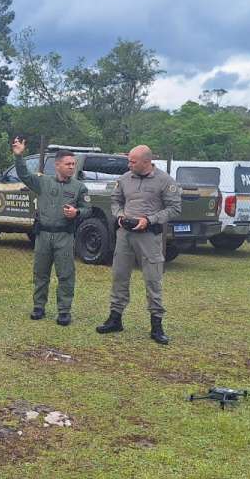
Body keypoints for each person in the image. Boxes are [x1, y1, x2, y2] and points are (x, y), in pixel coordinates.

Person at [95, 145, 182, 344]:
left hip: (149, 236)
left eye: (132, 161)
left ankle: (156, 325)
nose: (129, 164)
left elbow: (175, 209)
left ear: (146, 161)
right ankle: (115, 319)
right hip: (125, 235)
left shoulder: (165, 181)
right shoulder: (125, 179)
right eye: (129, 161)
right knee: (119, 275)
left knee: (153, 279)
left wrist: (149, 219)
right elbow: (115, 200)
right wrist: (119, 215)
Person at [12, 138, 90, 325]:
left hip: (65, 235)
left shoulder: (79, 187)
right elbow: (23, 174)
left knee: (65, 274)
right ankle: (39, 307)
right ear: (57, 165)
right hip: (43, 235)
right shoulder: (43, 182)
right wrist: (18, 156)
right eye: (68, 164)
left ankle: (64, 311)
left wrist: (76, 212)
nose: (72, 167)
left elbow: (88, 210)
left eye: (73, 164)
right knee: (40, 273)